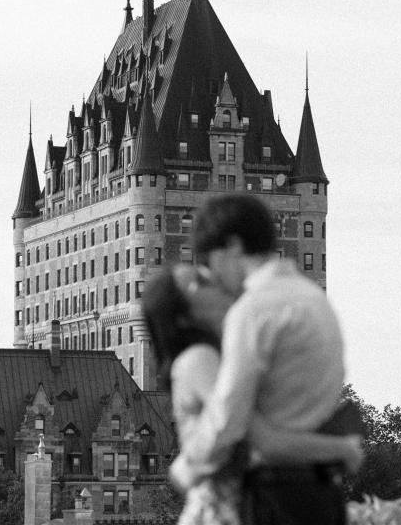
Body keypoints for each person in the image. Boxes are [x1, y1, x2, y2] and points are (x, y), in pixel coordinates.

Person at [170, 194, 350, 525]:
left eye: (210, 261)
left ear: (233, 246)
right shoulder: (317, 301)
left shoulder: (252, 310)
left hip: (272, 494)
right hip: (325, 493)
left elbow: (228, 419)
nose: (213, 276)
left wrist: (187, 467)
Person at [143, 267, 361, 525]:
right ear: (184, 317)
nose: (212, 277)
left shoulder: (218, 355)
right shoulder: (200, 359)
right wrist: (342, 449)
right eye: (199, 281)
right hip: (219, 515)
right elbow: (263, 441)